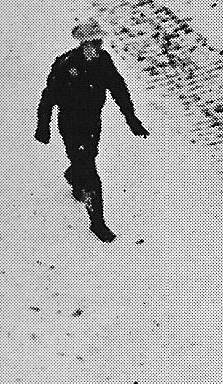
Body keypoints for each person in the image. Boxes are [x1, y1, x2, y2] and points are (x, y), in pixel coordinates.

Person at [34, 13, 149, 242]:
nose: (97, 47)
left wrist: (131, 119)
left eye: (99, 43)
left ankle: (74, 174)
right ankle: (97, 222)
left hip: (93, 124)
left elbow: (119, 89)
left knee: (85, 160)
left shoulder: (104, 62)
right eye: (93, 43)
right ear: (83, 44)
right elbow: (48, 97)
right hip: (70, 125)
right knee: (90, 174)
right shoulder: (64, 65)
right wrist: (42, 126)